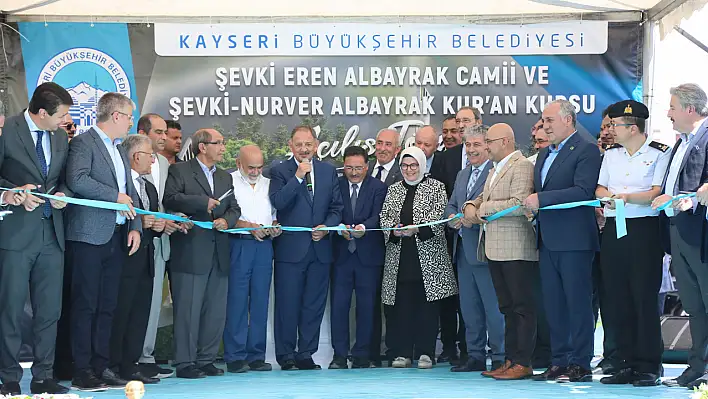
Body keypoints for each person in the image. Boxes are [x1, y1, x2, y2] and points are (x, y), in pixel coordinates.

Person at [65, 92, 142, 391]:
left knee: (108, 304)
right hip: (88, 235)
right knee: (86, 304)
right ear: (116, 116)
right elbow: (78, 179)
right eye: (129, 116)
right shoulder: (84, 143)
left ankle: (102, 365)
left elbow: (129, 189)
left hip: (117, 234)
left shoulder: (119, 148)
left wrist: (135, 225)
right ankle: (82, 369)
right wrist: (114, 197)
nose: (131, 122)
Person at [0, 82, 73, 395]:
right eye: (61, 115)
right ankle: (9, 379)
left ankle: (44, 375)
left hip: (52, 234)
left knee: (49, 310)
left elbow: (66, 180)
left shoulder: (59, 136)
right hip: (16, 234)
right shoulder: (7, 129)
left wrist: (63, 196)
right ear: (42, 113)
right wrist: (11, 194)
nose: (65, 122)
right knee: (11, 309)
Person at [524, 99, 602, 383]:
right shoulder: (545, 155)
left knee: (578, 303)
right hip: (547, 239)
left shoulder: (586, 150)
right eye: (543, 120)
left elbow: (583, 190)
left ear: (568, 120)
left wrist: (540, 199)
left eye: (549, 120)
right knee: (553, 304)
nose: (545, 125)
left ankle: (581, 362)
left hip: (575, 241)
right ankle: (559, 361)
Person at [593, 100, 670, 386]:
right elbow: (600, 186)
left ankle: (648, 364)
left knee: (643, 296)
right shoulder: (612, 155)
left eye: (616, 125)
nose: (611, 130)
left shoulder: (659, 153)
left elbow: (656, 192)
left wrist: (625, 198)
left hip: (643, 229)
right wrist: (608, 196)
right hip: (614, 228)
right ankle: (622, 361)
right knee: (616, 297)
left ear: (633, 127)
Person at [163, 128, 241, 379]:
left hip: (219, 251)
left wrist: (227, 221)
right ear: (202, 146)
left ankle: (206, 359)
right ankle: (185, 362)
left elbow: (234, 207)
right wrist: (201, 203)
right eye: (218, 143)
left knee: (215, 311)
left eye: (223, 142)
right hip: (191, 250)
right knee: (188, 309)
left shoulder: (225, 177)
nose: (223, 147)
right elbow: (171, 199)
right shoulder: (179, 171)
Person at [465, 123, 538, 380]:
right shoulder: (494, 169)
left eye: (489, 141)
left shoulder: (522, 166)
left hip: (517, 248)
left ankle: (523, 361)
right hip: (495, 248)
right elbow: (483, 197)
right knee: (506, 307)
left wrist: (481, 210)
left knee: (521, 308)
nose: (485, 146)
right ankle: (510, 359)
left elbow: (519, 204)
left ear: (505, 141)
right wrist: (471, 204)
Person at [269, 125, 343, 370]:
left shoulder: (328, 170)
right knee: (287, 305)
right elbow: (278, 201)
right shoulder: (280, 171)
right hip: (290, 252)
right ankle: (286, 355)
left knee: (313, 305)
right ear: (291, 146)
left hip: (320, 251)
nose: (304, 149)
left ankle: (305, 354)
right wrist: (299, 176)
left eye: (308, 144)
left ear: (316, 144)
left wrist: (326, 226)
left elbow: (336, 208)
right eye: (298, 144)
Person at [379, 146, 458, 369]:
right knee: (402, 308)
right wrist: (392, 230)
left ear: (422, 165)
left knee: (427, 309)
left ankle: (426, 353)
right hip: (400, 259)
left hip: (429, 259)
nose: (409, 170)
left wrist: (418, 230)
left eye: (413, 165)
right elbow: (384, 217)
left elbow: (440, 218)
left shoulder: (436, 187)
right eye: (404, 165)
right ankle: (403, 353)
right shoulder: (393, 190)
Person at [651, 83, 708, 389]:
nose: (668, 113)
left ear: (689, 109)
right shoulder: (681, 142)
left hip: (702, 234)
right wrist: (667, 197)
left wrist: (694, 198)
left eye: (672, 107)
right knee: (694, 305)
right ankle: (696, 368)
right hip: (678, 232)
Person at [444, 125, 504, 373]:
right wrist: (451, 217)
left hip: (485, 248)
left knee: (493, 307)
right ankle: (475, 355)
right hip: (462, 250)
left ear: (488, 145)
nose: (471, 149)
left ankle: (501, 356)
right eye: (468, 145)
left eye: (477, 144)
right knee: (469, 307)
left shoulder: (496, 172)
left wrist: (471, 215)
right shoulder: (462, 174)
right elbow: (451, 205)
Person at [108, 134, 164, 384]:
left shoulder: (149, 186)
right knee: (121, 311)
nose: (153, 160)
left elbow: (152, 218)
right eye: (150, 155)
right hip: (124, 256)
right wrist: (141, 222)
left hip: (147, 258)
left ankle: (131, 365)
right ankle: (113, 364)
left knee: (140, 313)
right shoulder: (119, 185)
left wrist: (160, 224)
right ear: (136, 156)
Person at [223, 144, 281, 373]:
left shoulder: (269, 184)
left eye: (259, 167)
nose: (256, 171)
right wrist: (247, 227)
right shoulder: (228, 182)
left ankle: (256, 355)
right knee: (236, 301)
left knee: (260, 302)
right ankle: (235, 356)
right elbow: (223, 216)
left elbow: (275, 217)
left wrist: (275, 227)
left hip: (265, 246)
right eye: (251, 167)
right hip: (239, 244)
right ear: (238, 163)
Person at [328, 146, 387, 369]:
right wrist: (339, 226)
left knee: (367, 307)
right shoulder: (336, 184)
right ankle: (339, 355)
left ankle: (362, 354)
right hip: (341, 256)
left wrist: (365, 226)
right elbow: (332, 210)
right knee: (339, 307)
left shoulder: (378, 187)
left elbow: (380, 214)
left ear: (367, 166)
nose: (353, 173)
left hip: (368, 257)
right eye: (349, 168)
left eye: (359, 168)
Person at [136, 114, 180, 379]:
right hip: (132, 239)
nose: (164, 137)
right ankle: (127, 357)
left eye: (166, 133)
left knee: (153, 303)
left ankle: (146, 356)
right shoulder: (123, 155)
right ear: (143, 132)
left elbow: (164, 203)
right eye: (159, 132)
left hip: (160, 242)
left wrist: (172, 220)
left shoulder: (163, 162)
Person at [367, 128, 403, 367]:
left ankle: (394, 350)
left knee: (394, 303)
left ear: (397, 149)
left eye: (388, 144)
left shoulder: (405, 173)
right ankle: (370, 352)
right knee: (369, 303)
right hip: (366, 249)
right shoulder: (364, 168)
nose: (382, 148)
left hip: (394, 248)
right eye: (379, 143)